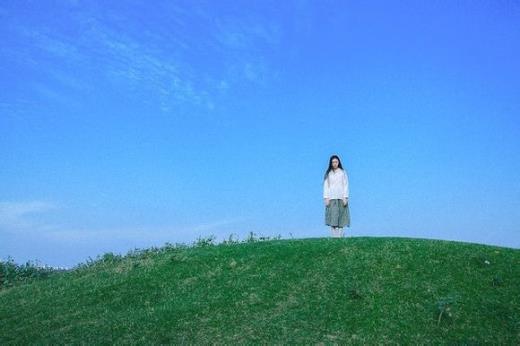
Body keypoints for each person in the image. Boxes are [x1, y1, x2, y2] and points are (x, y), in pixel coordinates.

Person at [323, 154, 350, 237]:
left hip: (341, 198)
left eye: (336, 162)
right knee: (333, 218)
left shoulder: (343, 172)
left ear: (339, 162)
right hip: (331, 198)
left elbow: (346, 185)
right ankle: (334, 237)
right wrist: (326, 198)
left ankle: (340, 236)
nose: (334, 163)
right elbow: (326, 186)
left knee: (341, 218)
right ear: (331, 163)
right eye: (333, 162)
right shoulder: (328, 173)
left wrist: (345, 197)